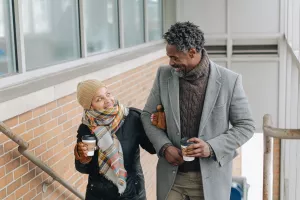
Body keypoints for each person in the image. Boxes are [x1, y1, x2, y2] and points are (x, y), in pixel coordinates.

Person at [141, 22, 255, 200]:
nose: (170, 63)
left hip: (210, 181)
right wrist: (164, 147)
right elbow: (147, 115)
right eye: (169, 57)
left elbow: (246, 126)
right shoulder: (163, 75)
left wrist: (211, 147)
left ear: (192, 52)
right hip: (172, 179)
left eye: (175, 58)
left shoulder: (229, 81)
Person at [74, 79, 156, 200]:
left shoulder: (132, 118)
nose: (107, 100)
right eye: (99, 99)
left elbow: (153, 148)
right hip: (99, 196)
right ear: (89, 106)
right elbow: (83, 169)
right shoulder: (86, 128)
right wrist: (83, 159)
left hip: (132, 194)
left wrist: (158, 128)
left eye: (108, 94)